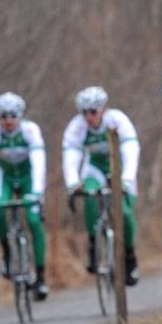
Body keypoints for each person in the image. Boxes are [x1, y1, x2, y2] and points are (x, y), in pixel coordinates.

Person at [62, 86, 141, 286]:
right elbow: (71, 154)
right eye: (84, 112)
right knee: (89, 197)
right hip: (94, 168)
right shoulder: (77, 126)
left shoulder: (117, 119)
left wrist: (127, 179)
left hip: (119, 169)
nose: (89, 117)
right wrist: (73, 182)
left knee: (123, 212)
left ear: (103, 109)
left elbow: (131, 149)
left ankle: (130, 257)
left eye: (93, 112)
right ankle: (93, 245)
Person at [0, 92, 49, 300]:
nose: (8, 121)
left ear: (20, 115)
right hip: (5, 176)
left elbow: (38, 162)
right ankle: (7, 253)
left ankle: (41, 276)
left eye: (12, 116)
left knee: (34, 220)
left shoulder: (30, 130)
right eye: (3, 116)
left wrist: (37, 191)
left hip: (28, 177)